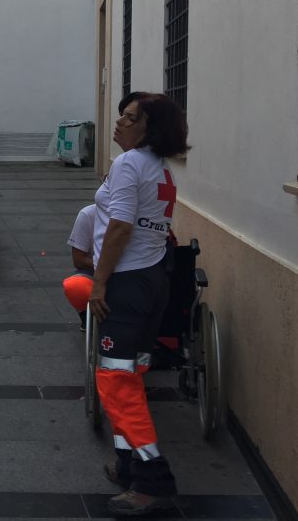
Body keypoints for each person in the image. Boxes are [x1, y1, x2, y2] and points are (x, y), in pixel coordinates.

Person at [88, 92, 188, 516]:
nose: (119, 123)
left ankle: (153, 478)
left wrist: (99, 283)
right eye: (122, 116)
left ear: (149, 129)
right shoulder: (160, 168)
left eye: (130, 119)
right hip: (154, 281)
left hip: (127, 283)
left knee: (115, 380)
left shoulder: (129, 164)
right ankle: (127, 461)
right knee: (131, 372)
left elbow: (119, 227)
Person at [62, 203, 96, 332]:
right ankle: (86, 315)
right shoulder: (88, 214)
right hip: (95, 272)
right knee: (75, 285)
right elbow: (78, 260)